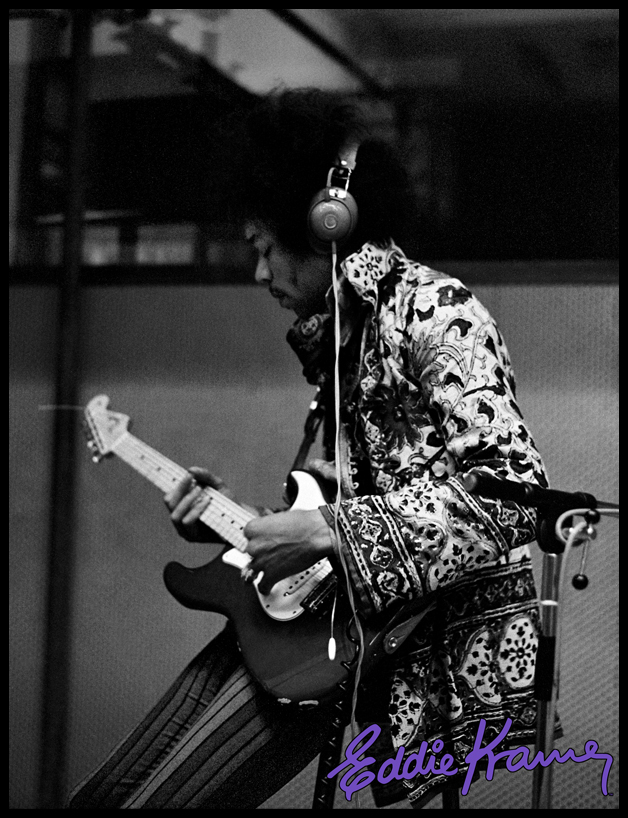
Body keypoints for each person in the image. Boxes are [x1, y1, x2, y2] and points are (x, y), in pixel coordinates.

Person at [68, 88, 550, 810]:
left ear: (325, 228)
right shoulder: (341, 347)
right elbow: (350, 504)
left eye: (263, 248)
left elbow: (513, 494)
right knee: (106, 794)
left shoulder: (437, 312)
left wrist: (325, 529)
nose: (258, 274)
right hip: (323, 625)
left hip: (399, 645)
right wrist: (240, 523)